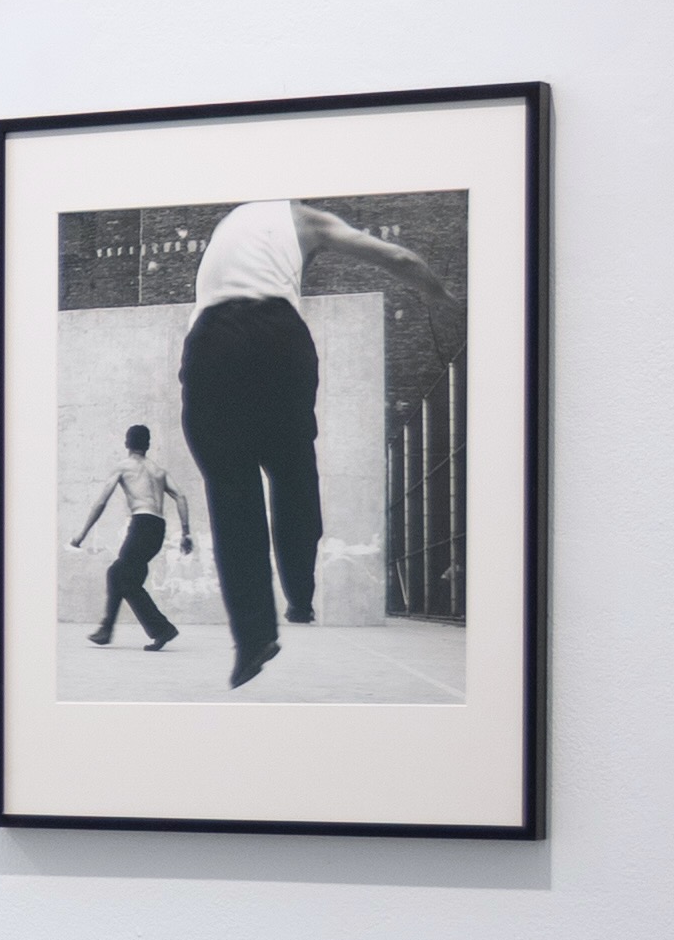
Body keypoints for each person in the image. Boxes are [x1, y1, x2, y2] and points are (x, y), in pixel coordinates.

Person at [178, 196, 444, 689]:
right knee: (292, 468)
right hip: (279, 336)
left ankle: (253, 637)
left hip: (211, 343)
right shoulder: (308, 219)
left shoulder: (227, 222)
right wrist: (438, 294)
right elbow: (400, 258)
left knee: (231, 490)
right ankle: (300, 596)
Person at [69, 422, 193, 650]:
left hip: (141, 524)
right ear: (148, 445)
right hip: (158, 528)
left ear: (127, 443)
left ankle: (147, 629)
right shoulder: (159, 471)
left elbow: (101, 502)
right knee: (127, 579)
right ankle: (118, 630)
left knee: (117, 573)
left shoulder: (123, 467)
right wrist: (186, 533)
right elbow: (181, 497)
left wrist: (81, 535)